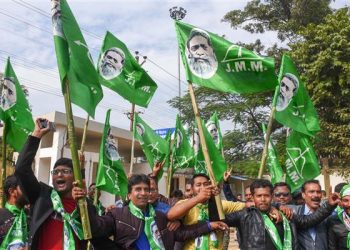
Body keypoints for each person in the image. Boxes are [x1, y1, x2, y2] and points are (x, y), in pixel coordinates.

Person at [72, 174, 228, 250]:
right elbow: (96, 228)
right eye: (138, 189)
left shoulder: (159, 216)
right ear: (128, 195)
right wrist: (83, 203)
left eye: (146, 189)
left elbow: (181, 234)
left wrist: (209, 225)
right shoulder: (117, 215)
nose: (143, 193)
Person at [14, 118, 84, 249]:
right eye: (55, 171)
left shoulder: (82, 204)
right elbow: (21, 169)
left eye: (65, 171)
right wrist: (36, 135)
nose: (59, 175)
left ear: (75, 177)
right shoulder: (42, 197)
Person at [224, 179, 339, 250]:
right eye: (259, 196)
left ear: (272, 196)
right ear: (253, 197)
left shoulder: (286, 214)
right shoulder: (244, 215)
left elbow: (308, 220)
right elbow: (218, 221)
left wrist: (329, 205)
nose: (263, 199)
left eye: (267, 195)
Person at [167, 173, 246, 249]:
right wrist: (198, 198)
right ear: (192, 188)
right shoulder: (185, 204)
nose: (203, 188)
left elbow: (245, 206)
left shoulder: (219, 204)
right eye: (198, 185)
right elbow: (171, 215)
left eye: (206, 184)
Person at [0, 175, 29, 249]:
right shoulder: (1, 216)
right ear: (12, 191)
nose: (28, 192)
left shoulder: (29, 216)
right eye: (23, 188)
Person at [328, 183, 350, 249]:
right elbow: (332, 247)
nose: (349, 204)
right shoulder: (334, 221)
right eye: (346, 200)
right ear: (340, 202)